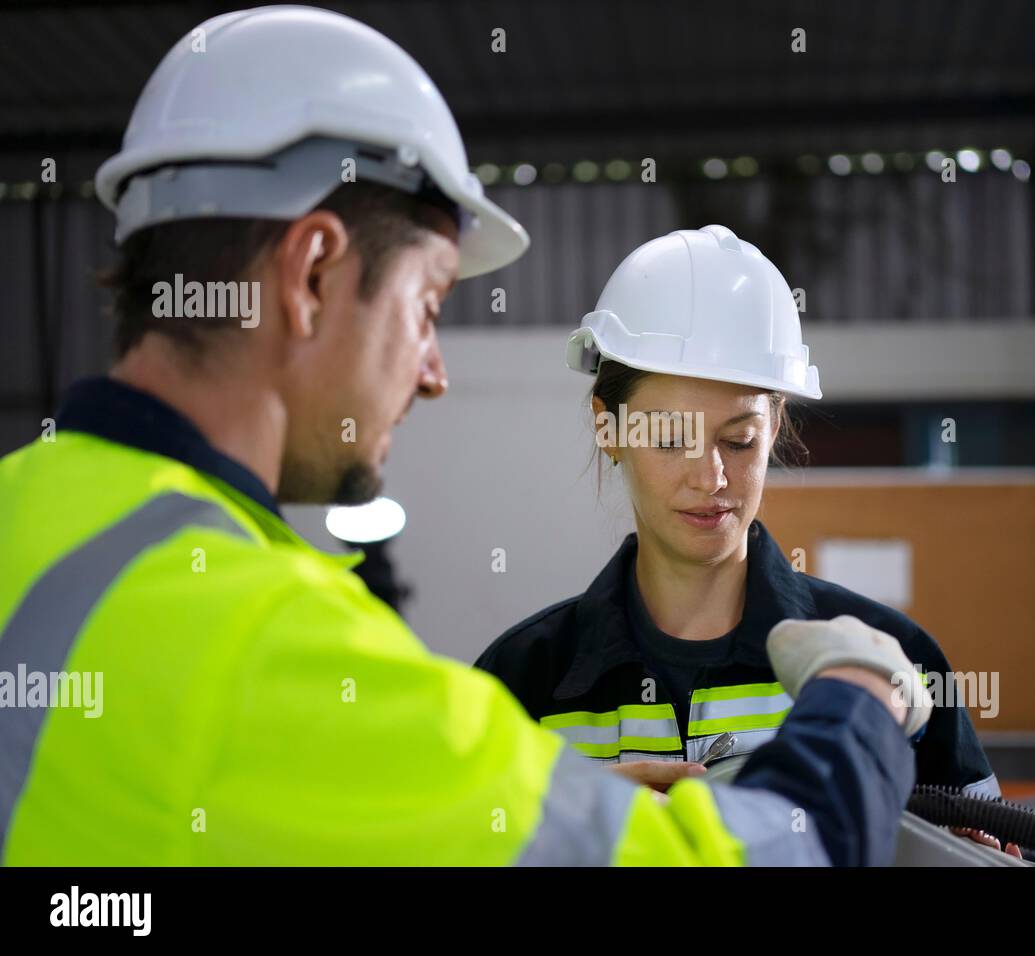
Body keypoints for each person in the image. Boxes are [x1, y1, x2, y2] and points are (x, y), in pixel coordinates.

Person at [0, 7, 928, 867]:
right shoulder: (271, 642)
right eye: (427, 305)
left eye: (739, 436)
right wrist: (855, 698)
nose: (434, 371)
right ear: (312, 274)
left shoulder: (27, 512)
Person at [477, 225, 1009, 850]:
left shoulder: (887, 662)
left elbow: (993, 850)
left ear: (776, 423)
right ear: (608, 426)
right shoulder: (521, 685)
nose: (712, 477)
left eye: (740, 440)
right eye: (672, 438)